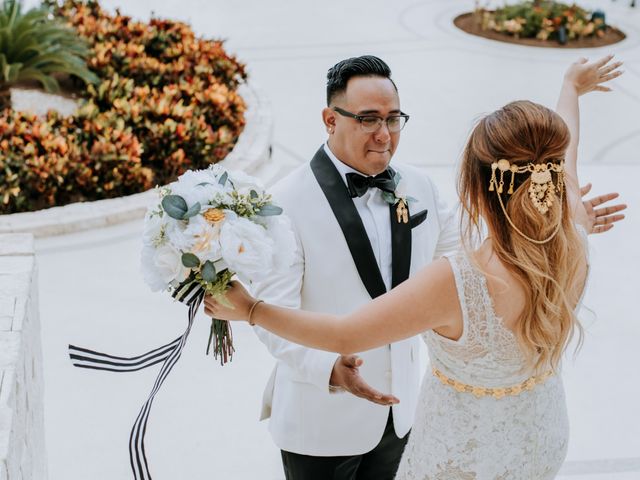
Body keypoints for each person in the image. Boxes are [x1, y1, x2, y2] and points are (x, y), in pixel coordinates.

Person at [205, 56, 625, 479]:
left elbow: (345, 331)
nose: (384, 135)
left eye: (394, 119)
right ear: (330, 119)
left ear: (478, 186)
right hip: (327, 420)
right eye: (368, 119)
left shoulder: (436, 225)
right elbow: (559, 158)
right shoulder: (572, 238)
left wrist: (248, 309)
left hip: (416, 421)